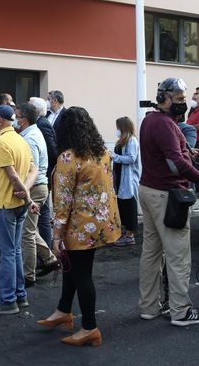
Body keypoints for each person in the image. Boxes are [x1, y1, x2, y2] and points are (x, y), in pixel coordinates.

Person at [138, 77, 199, 327]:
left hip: (149, 190)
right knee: (177, 257)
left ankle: (149, 307)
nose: (185, 104)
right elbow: (177, 165)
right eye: (180, 99)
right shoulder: (165, 124)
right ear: (163, 98)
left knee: (151, 253)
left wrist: (186, 151)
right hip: (167, 196)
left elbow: (167, 154)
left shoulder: (150, 120)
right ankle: (181, 311)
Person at [38, 106, 121, 346]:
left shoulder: (68, 157)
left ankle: (90, 327)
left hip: (79, 227)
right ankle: (63, 311)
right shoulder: (102, 153)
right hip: (101, 223)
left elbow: (63, 202)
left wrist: (56, 236)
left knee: (82, 275)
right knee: (72, 269)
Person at [0, 104, 37, 315]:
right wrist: (26, 192)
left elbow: (12, 175)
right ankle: (20, 296)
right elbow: (33, 170)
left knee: (6, 252)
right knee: (15, 250)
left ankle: (8, 301)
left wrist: (25, 194)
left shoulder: (1, 141)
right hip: (18, 204)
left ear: (0, 120)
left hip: (6, 204)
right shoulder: (20, 139)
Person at [15, 102, 57, 286]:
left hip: (35, 187)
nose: (14, 120)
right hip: (37, 186)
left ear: (24, 119)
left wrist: (24, 191)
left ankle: (28, 275)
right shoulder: (30, 133)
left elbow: (30, 170)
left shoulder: (30, 138)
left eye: (16, 116)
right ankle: (49, 259)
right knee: (30, 230)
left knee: (27, 233)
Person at [31, 96, 58, 250]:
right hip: (42, 174)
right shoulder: (39, 123)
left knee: (43, 216)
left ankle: (46, 250)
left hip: (42, 176)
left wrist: (44, 170)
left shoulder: (42, 124)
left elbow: (52, 151)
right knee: (43, 215)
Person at [111, 116, 141, 246]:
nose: (116, 130)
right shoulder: (122, 141)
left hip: (129, 180)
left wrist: (114, 156)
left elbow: (131, 158)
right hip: (121, 179)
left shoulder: (131, 141)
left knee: (129, 207)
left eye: (118, 127)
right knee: (122, 206)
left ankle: (129, 236)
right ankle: (126, 233)